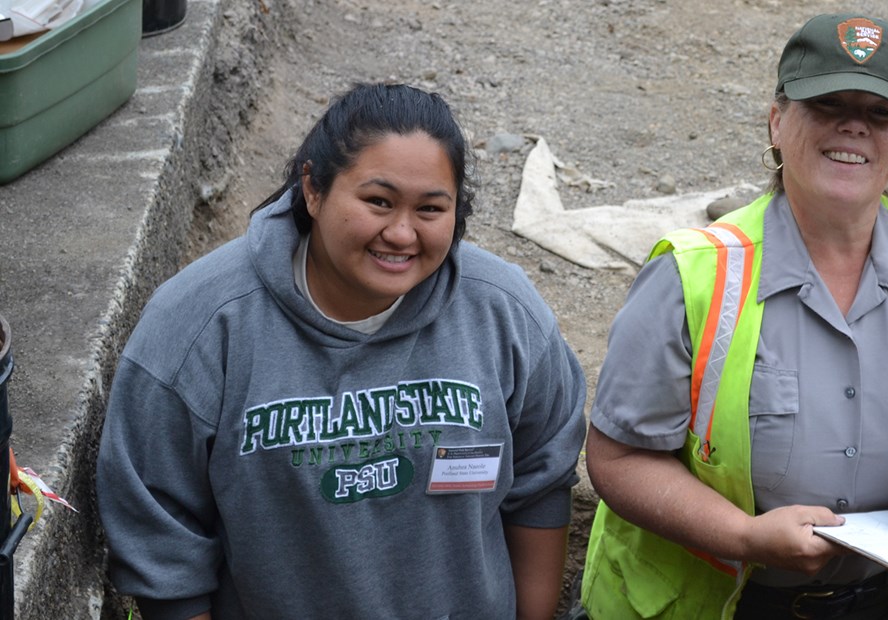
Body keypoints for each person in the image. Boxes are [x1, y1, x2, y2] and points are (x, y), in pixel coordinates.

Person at [581, 13, 888, 619]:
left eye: (880, 113)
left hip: (885, 603)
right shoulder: (692, 277)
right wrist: (743, 538)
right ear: (776, 122)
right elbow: (617, 460)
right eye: (826, 104)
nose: (853, 125)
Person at [96, 83, 587, 619]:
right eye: (378, 201)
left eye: (429, 208)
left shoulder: (506, 315)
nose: (401, 233)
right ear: (313, 188)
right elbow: (161, 537)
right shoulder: (197, 326)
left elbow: (541, 482)